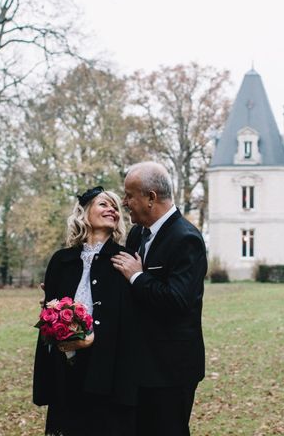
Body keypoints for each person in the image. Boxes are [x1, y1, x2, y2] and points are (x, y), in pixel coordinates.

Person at [33, 187, 138, 436]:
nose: (112, 209)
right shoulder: (61, 261)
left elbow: (131, 324)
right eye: (103, 204)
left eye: (115, 206)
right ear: (84, 212)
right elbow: (48, 318)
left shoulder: (125, 260)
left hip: (108, 373)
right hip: (66, 370)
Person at [112, 162, 207, 436]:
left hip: (171, 370)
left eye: (130, 195)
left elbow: (177, 301)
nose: (125, 202)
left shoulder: (186, 239)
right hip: (137, 366)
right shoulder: (136, 234)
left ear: (151, 197)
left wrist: (138, 277)